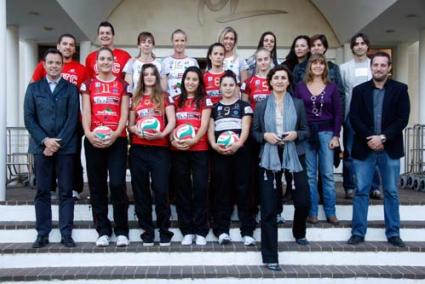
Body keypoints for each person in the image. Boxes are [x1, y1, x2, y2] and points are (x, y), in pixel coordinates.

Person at [347, 51, 410, 248]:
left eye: (383, 65)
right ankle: (358, 232)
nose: (379, 68)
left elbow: (402, 118)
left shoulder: (400, 89)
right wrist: (371, 138)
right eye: (376, 65)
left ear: (389, 68)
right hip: (364, 148)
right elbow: (354, 118)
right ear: (371, 67)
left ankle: (393, 233)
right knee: (361, 191)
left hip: (389, 148)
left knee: (391, 191)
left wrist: (383, 137)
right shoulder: (359, 91)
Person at [252, 65, 310, 271]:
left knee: (303, 201)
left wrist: (296, 134)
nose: (279, 81)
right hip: (268, 156)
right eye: (275, 77)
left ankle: (298, 231)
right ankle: (270, 256)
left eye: (283, 78)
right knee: (268, 208)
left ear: (288, 82)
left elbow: (306, 130)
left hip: (294, 153)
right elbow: (255, 134)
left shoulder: (298, 104)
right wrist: (264, 136)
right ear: (270, 81)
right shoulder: (260, 106)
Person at [24, 48, 79, 248]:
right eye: (51, 63)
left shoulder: (71, 89)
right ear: (44, 65)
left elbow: (72, 119)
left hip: (65, 149)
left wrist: (56, 143)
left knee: (66, 191)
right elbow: (29, 118)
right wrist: (45, 141)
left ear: (62, 66)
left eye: (58, 63)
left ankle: (66, 233)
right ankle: (42, 233)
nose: (54, 66)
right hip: (41, 149)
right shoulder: (33, 89)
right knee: (42, 191)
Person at [81, 47, 130, 247]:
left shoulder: (122, 85)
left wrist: (116, 134)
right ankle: (102, 230)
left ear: (114, 62)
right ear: (96, 62)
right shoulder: (88, 84)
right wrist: (89, 134)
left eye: (109, 59)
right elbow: (86, 112)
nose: (105, 62)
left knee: (118, 184)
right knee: (97, 186)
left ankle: (122, 231)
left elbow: (124, 113)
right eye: (102, 59)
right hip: (93, 139)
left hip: (117, 140)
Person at [31, 33, 87, 200]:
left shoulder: (81, 69)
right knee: (46, 155)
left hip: (72, 121)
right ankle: (49, 188)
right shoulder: (44, 65)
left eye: (71, 44)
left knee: (72, 156)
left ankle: (74, 189)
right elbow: (33, 88)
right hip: (46, 122)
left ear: (74, 49)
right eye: (64, 43)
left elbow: (86, 95)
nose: (67, 47)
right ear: (58, 46)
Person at [128, 63, 176, 246]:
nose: (149, 77)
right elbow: (130, 124)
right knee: (141, 192)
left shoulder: (164, 97)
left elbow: (171, 121)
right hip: (139, 149)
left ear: (156, 77)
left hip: (160, 149)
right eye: (145, 74)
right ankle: (147, 231)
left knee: (161, 190)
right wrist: (137, 131)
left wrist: (162, 134)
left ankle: (164, 231)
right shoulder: (136, 98)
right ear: (141, 77)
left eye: (152, 74)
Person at [208, 70, 256, 246]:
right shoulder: (214, 108)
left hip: (241, 152)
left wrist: (238, 144)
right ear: (219, 87)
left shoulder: (244, 106)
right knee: (221, 190)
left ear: (237, 87)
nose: (228, 88)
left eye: (231, 85)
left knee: (244, 189)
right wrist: (214, 145)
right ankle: (222, 230)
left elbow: (246, 127)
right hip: (219, 153)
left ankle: (248, 230)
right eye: (224, 85)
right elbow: (210, 129)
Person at [295, 53, 342, 225]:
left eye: (321, 63)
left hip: (327, 134)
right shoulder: (300, 87)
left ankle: (331, 212)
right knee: (309, 175)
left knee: (328, 174)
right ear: (309, 66)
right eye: (314, 63)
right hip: (307, 134)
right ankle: (312, 212)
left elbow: (338, 113)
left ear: (325, 67)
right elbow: (297, 111)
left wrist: (336, 135)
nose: (317, 66)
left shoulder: (332, 87)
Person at [171, 66, 212, 246]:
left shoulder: (205, 100)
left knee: (201, 187)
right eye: (188, 79)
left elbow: (204, 124)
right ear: (183, 81)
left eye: (195, 79)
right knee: (182, 189)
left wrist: (194, 139)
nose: (191, 82)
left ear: (199, 82)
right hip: (179, 150)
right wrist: (173, 140)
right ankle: (187, 229)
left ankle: (201, 229)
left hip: (200, 149)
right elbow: (171, 123)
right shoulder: (174, 100)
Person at [340, 33, 382, 200]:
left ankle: (374, 187)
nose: (359, 46)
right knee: (349, 152)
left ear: (367, 46)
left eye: (362, 43)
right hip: (351, 115)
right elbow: (342, 93)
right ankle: (350, 186)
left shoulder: (375, 66)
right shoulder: (344, 68)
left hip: (372, 116)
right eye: (356, 44)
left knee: (373, 150)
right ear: (352, 48)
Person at [160, 29, 199, 98]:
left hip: (187, 100)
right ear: (172, 42)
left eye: (182, 40)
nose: (179, 43)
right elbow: (162, 86)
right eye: (176, 41)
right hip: (170, 101)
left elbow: (198, 82)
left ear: (186, 42)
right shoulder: (165, 61)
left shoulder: (192, 62)